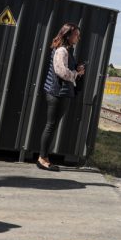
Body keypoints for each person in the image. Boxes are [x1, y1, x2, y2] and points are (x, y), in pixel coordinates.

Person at [37, 23, 85, 171]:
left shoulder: (67, 50)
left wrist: (76, 68)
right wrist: (77, 74)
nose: (78, 37)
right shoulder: (62, 50)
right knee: (51, 126)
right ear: (68, 35)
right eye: (76, 34)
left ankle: (44, 157)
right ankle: (42, 159)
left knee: (52, 125)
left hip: (60, 93)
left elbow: (66, 69)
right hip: (57, 93)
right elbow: (61, 71)